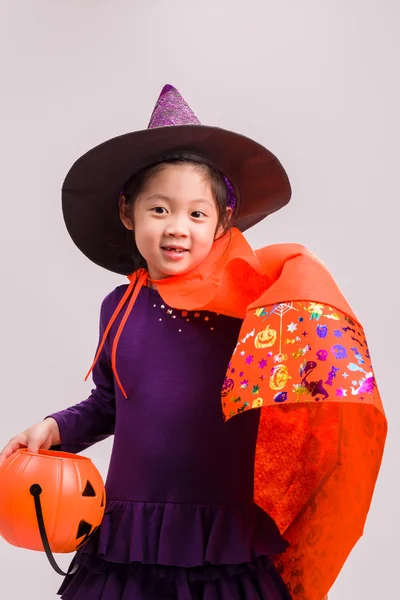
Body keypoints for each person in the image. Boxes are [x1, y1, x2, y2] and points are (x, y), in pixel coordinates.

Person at [0, 85, 386, 600]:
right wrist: (54, 428)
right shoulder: (119, 306)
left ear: (223, 222)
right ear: (127, 212)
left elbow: (291, 392)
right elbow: (110, 404)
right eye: (159, 210)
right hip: (126, 536)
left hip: (223, 540)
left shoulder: (254, 308)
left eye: (196, 214)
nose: (177, 228)